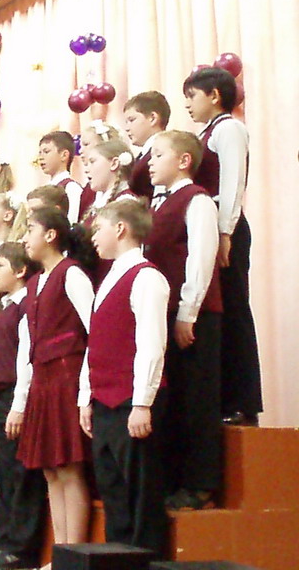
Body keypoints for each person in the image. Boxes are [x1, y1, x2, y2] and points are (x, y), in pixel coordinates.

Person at [80, 198, 169, 557]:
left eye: (98, 228)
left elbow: (151, 344)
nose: (93, 237)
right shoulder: (109, 277)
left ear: (120, 229)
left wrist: (142, 403)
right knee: (113, 491)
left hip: (131, 402)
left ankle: (145, 561)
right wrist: (86, 397)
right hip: (104, 402)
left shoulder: (146, 277)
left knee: (140, 495)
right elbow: (96, 343)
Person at [145, 130, 222, 511]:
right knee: (174, 401)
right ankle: (174, 480)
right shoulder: (158, 204)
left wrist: (187, 312)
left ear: (184, 160)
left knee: (197, 400)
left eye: (158, 155)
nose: (150, 162)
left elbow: (201, 259)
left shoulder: (197, 201)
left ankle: (201, 484)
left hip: (194, 316)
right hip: (168, 314)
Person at [183, 67, 262, 426]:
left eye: (192, 96)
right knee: (218, 313)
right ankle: (223, 398)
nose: (188, 104)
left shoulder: (229, 129)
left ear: (214, 95)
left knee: (234, 310)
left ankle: (244, 401)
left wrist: (225, 232)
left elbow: (232, 183)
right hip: (210, 228)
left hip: (223, 227)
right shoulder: (206, 132)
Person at [15, 207, 94, 556]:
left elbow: (94, 329)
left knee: (69, 468)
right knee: (50, 469)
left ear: (50, 235)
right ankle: (61, 551)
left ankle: (74, 554)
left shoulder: (71, 274)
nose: (24, 237)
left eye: (30, 229)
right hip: (43, 380)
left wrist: (86, 389)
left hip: (66, 377)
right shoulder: (35, 282)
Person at [0, 243, 48, 570]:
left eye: (0, 266)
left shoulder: (25, 307)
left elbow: (27, 359)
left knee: (21, 474)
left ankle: (21, 548)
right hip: (2, 395)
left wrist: (17, 405)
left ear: (20, 271)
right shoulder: (7, 307)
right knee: (6, 472)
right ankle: (4, 541)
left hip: (16, 395)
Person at [80, 139, 138, 286]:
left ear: (114, 163)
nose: (87, 169)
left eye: (93, 162)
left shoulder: (125, 203)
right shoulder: (99, 202)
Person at [123, 90, 170, 201]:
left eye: (132, 120)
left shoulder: (163, 153)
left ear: (152, 118)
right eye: (126, 122)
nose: (127, 128)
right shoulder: (143, 155)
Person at [38, 131, 82, 224]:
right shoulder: (44, 188)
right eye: (40, 153)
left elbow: (71, 222)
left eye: (46, 152)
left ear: (64, 155)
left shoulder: (71, 188)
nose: (41, 157)